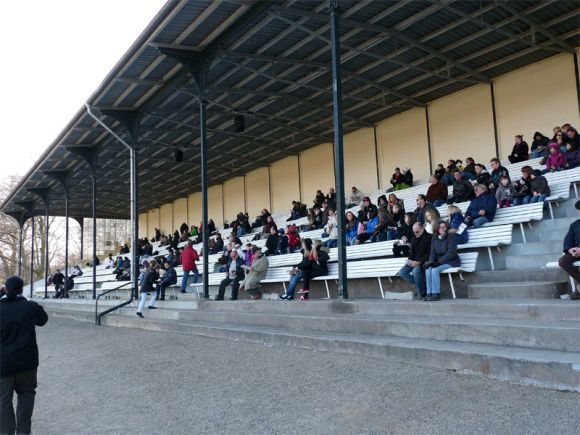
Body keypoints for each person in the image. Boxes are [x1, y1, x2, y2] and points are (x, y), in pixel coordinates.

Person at [0, 276, 48, 435]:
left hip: (3, 363)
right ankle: (23, 432)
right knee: (27, 395)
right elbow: (43, 320)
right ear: (22, 289)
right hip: (27, 363)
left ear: (5, 289)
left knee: (3, 402)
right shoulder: (30, 306)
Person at [423, 221, 461, 301]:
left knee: (434, 270)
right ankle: (429, 293)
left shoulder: (451, 237)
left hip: (452, 261)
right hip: (439, 262)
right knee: (428, 269)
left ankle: (436, 293)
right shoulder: (434, 238)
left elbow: (451, 253)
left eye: (444, 227)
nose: (442, 229)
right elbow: (432, 253)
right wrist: (430, 262)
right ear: (437, 228)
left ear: (447, 228)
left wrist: (439, 263)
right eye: (440, 227)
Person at [398, 223, 432, 300]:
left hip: (424, 262)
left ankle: (423, 293)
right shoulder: (413, 238)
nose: (415, 233)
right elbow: (412, 253)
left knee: (416, 271)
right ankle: (423, 285)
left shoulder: (429, 237)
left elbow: (430, 253)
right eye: (414, 232)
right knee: (402, 272)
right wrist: (409, 261)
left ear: (422, 228)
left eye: (417, 231)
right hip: (413, 261)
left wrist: (419, 262)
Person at [558, 200, 580, 300]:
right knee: (563, 261)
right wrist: (570, 249)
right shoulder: (574, 225)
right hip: (576, 251)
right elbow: (568, 239)